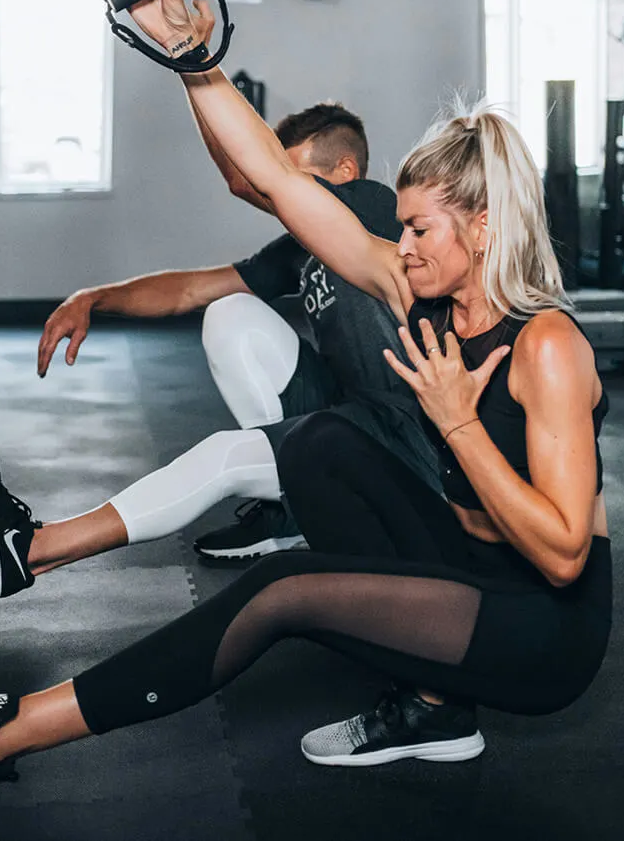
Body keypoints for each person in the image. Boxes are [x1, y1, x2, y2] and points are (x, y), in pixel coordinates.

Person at [0, 0, 612, 813]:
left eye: (420, 228)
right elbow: (271, 176)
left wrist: (457, 424)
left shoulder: (547, 344)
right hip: (472, 568)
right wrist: (193, 57)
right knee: (323, 442)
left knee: (278, 593)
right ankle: (436, 706)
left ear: (484, 225)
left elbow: (565, 556)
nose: (402, 245)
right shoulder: (416, 290)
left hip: (542, 630)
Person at [28, 97, 438, 568]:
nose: (287, 193)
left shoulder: (372, 201)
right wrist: (94, 298)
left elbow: (247, 180)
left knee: (224, 458)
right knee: (228, 312)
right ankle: (291, 509)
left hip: (401, 432)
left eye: (300, 177)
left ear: (345, 171)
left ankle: (42, 547)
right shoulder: (300, 250)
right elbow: (190, 291)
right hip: (344, 411)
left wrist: (190, 62)